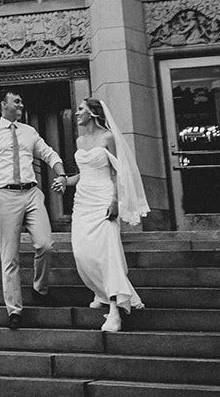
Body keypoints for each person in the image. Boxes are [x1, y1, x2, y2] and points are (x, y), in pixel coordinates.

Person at [52, 95, 148, 335]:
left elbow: (118, 173)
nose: (76, 113)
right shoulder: (80, 140)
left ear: (93, 113)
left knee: (107, 252)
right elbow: (82, 174)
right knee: (82, 252)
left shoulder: (108, 137)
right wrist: (65, 180)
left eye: (81, 109)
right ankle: (102, 291)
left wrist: (116, 200)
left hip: (104, 198)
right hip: (83, 201)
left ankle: (115, 310)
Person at [0, 89, 66, 329]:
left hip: (32, 193)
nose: (21, 104)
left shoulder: (29, 132)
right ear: (3, 105)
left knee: (46, 245)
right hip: (5, 195)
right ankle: (14, 310)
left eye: (22, 101)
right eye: (16, 101)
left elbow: (47, 153)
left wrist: (61, 174)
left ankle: (40, 288)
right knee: (10, 256)